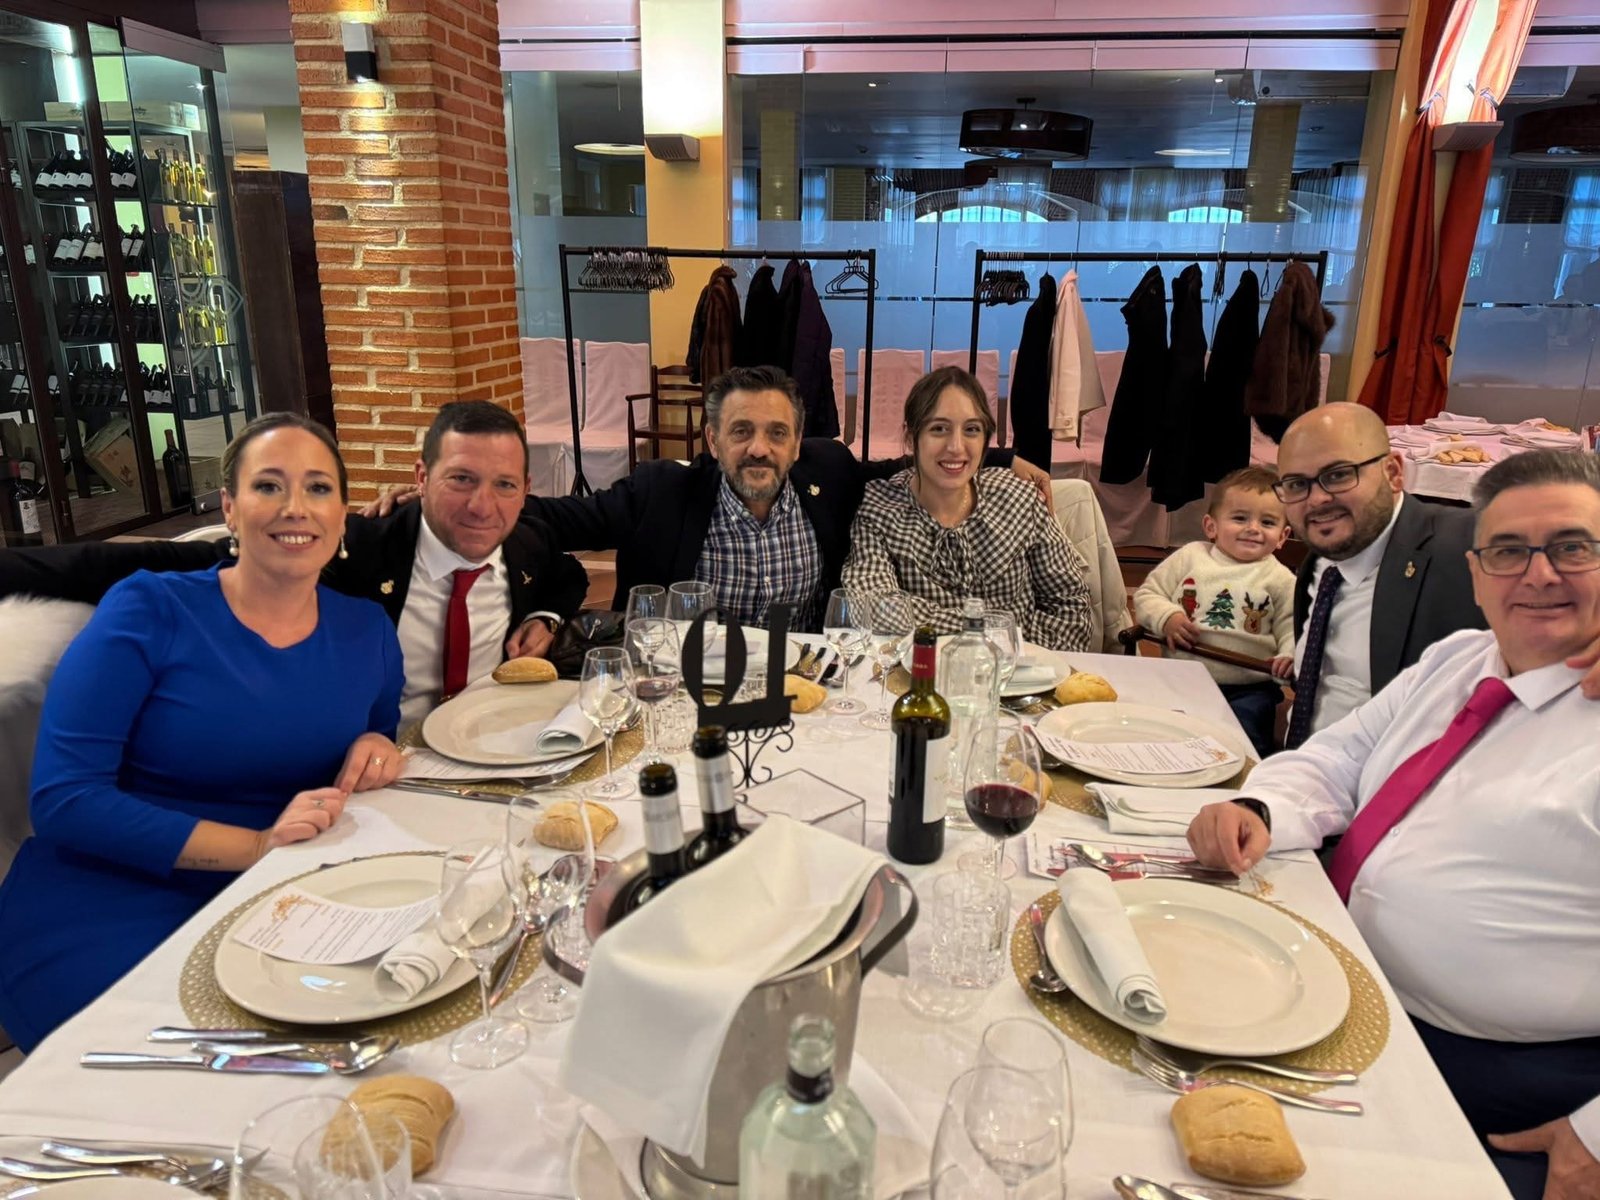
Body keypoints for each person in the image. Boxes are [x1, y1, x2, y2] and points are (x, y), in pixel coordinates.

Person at [1185, 450, 1600, 1200]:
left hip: (1499, 1084)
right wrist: (1258, 809)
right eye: (1508, 550)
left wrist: (1597, 1137)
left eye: (1572, 547)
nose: (1538, 575)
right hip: (1340, 993)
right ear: (1476, 573)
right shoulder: (1458, 660)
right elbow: (1339, 757)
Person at [0, 415, 405, 1051]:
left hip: (291, 892)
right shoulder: (150, 610)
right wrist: (256, 846)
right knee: (197, 1069)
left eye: (318, 488)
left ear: (342, 514)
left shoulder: (368, 630)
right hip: (117, 892)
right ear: (230, 509)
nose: (295, 507)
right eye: (268, 486)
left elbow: (376, 731)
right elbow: (64, 800)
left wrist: (375, 747)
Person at [0, 401, 588, 722]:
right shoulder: (352, 547)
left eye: (504, 484)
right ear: (421, 477)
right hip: (374, 763)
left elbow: (569, 577)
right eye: (460, 479)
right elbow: (169, 561)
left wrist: (545, 618)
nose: (483, 506)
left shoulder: (525, 545)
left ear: (525, 488)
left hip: (494, 746)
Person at [463, 365, 1052, 633]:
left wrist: (998, 457)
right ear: (713, 440)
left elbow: (909, 460)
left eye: (776, 433)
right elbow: (547, 519)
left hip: (806, 692)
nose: (759, 449)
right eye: (741, 432)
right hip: (688, 692)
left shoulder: (831, 474)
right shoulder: (660, 493)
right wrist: (449, 505)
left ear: (797, 443)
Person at [840, 365, 1093, 651]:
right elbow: (874, 609)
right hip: (922, 672)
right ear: (911, 438)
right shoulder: (881, 509)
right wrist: (1002, 632)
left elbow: (1071, 611)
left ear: (985, 440)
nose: (956, 447)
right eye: (939, 429)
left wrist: (1014, 657)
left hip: (1022, 673)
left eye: (971, 430)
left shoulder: (1020, 499)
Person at [1274, 402, 1484, 745]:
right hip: (1302, 766)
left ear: (1393, 473)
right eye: (1297, 484)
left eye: (1338, 475)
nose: (1317, 499)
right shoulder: (1318, 565)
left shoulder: (1469, 548)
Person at [1133, 466, 1295, 757]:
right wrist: (1167, 617)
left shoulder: (1281, 579)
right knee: (1160, 732)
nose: (1253, 528)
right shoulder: (1190, 557)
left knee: (1245, 742)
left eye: (1267, 522)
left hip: (1249, 687)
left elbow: (1292, 626)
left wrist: (1289, 655)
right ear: (1211, 526)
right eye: (1240, 518)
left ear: (1283, 536)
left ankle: (1241, 781)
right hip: (1181, 678)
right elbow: (1147, 595)